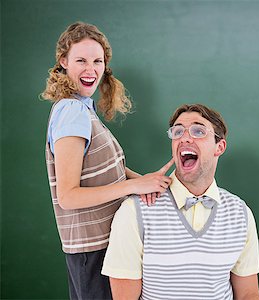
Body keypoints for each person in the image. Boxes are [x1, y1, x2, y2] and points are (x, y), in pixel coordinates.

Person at [42, 21, 173, 299]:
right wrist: (133, 187)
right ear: (63, 62)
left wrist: (149, 182)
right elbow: (68, 196)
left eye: (97, 61)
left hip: (103, 246)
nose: (91, 70)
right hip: (93, 253)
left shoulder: (81, 109)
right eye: (81, 60)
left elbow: (108, 170)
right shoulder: (72, 112)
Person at [102, 103, 259, 299]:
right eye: (178, 132)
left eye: (198, 130)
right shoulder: (135, 211)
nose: (185, 138)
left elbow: (248, 293)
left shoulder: (240, 213)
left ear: (219, 147)